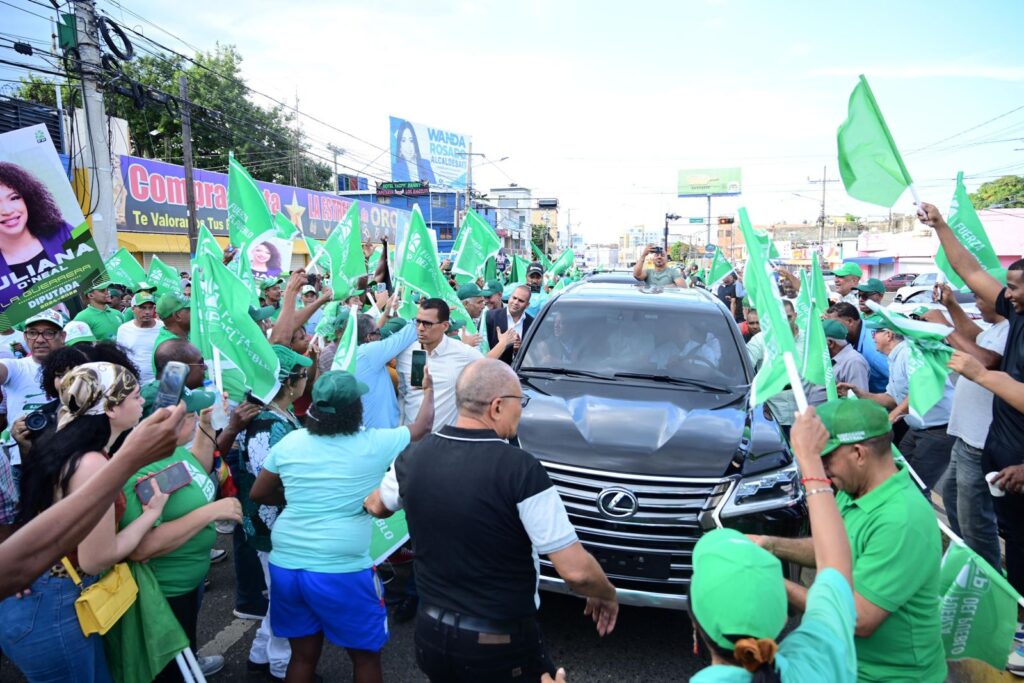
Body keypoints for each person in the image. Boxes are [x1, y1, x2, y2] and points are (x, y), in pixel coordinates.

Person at [366, 359, 619, 682]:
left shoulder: (413, 457)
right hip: (500, 643)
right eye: (520, 401)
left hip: (431, 634)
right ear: (497, 406)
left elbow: (377, 506)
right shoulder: (521, 470)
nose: (521, 411)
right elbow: (576, 571)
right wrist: (607, 593)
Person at [249, 369, 435, 683]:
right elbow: (422, 427)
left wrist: (298, 495)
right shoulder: (375, 442)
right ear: (356, 409)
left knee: (303, 656)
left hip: (287, 562)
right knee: (364, 656)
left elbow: (259, 493)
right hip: (342, 569)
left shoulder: (291, 441)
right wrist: (429, 389)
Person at [753, 398, 946, 682]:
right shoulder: (852, 489)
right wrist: (770, 544)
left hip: (887, 676)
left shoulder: (902, 519)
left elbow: (859, 618)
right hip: (842, 664)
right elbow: (834, 550)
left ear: (858, 453)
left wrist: (769, 580)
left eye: (826, 459)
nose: (823, 469)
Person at [0, 362, 168, 682]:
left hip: (37, 597)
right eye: (134, 396)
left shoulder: (60, 439)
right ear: (111, 409)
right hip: (55, 605)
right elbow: (95, 558)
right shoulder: (92, 462)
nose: (142, 402)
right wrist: (151, 515)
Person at [919, 202, 1024, 671]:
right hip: (1004, 464)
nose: (1008, 295)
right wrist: (940, 224)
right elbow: (970, 268)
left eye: (1016, 288)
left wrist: (980, 374)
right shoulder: (1016, 315)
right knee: (1013, 544)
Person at [688, 407, 856, 682]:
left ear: (696, 630)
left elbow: (835, 568)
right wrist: (810, 461)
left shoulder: (824, 647)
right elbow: (835, 563)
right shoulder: (820, 657)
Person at [124, 386, 243, 679]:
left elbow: (197, 470)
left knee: (184, 656)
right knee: (169, 673)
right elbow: (141, 548)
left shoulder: (170, 449)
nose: (192, 419)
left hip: (187, 585)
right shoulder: (138, 469)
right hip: (162, 593)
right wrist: (211, 512)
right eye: (189, 414)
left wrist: (204, 424)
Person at [236, 345, 313, 680]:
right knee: (287, 599)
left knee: (282, 593)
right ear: (289, 382)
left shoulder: (283, 415)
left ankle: (260, 655)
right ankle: (281, 665)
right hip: (272, 526)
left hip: (279, 523)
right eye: (303, 374)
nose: (307, 379)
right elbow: (268, 486)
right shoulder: (268, 425)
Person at [923, 286, 1008, 570]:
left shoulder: (1012, 330)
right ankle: (966, 564)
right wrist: (952, 307)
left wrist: (944, 326)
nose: (977, 302)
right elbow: (975, 338)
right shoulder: (996, 327)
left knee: (976, 520)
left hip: (981, 442)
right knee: (953, 499)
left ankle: (987, 581)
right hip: (966, 437)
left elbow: (987, 360)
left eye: (980, 297)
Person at [841, 320, 956, 493]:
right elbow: (891, 398)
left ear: (889, 335)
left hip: (937, 431)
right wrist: (860, 394)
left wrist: (892, 417)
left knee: (917, 487)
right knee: (900, 476)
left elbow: (921, 390)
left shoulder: (910, 353)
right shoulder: (893, 358)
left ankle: (921, 517)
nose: (872, 338)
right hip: (918, 429)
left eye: (876, 333)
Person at [0, 309, 66, 480]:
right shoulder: (16, 367)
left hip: (69, 457)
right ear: (25, 336)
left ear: (63, 336)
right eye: (32, 333)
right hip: (25, 462)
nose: (40, 339)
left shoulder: (78, 368)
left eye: (49, 333)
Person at [397, 298, 482, 430]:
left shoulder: (464, 354)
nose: (420, 328)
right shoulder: (405, 353)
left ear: (445, 326)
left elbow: (492, 373)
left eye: (427, 324)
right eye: (418, 322)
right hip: (409, 442)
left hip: (443, 443)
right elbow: (403, 395)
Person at [0, 162, 76, 309]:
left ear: (28, 198)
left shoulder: (62, 231)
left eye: (14, 197)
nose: (7, 210)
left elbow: (95, 277)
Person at [825, 302, 889, 393]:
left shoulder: (873, 351)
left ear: (850, 321)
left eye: (835, 323)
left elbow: (904, 382)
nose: (832, 327)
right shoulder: (860, 328)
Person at [116, 291, 163, 384]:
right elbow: (121, 356)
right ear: (133, 309)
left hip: (159, 383)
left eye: (150, 308)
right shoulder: (124, 329)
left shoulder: (162, 327)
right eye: (142, 308)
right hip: (136, 383)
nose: (147, 312)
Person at [486, 284, 533, 365]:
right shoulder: (490, 317)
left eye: (521, 301)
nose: (515, 302)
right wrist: (504, 343)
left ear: (527, 305)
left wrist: (519, 350)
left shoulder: (531, 323)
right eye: (514, 298)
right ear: (509, 297)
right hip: (493, 370)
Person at [823, 319, 870, 394]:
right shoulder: (829, 359)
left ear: (830, 343)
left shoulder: (854, 362)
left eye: (818, 343)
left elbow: (859, 401)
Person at [151, 291, 191, 377]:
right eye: (189, 309)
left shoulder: (188, 333)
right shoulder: (169, 349)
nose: (194, 312)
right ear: (177, 316)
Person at [391, 119, 436, 184]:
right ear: (399, 145)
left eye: (411, 140)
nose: (408, 146)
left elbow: (434, 187)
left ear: (415, 143)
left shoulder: (425, 164)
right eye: (403, 141)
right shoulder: (396, 168)